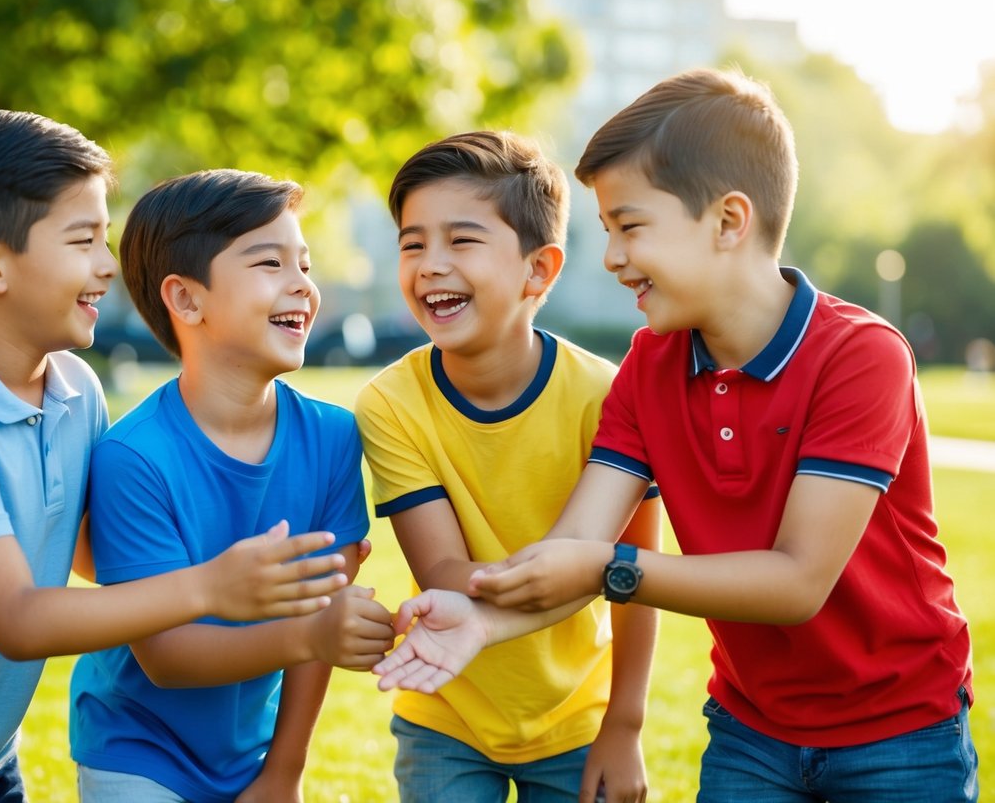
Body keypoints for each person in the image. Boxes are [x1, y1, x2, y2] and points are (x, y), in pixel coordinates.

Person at [375, 69, 978, 803]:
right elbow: (574, 548)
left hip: (899, 730)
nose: (612, 257)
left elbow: (794, 582)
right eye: (606, 231)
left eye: (629, 226)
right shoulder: (647, 369)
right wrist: (479, 621)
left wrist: (609, 567)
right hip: (749, 729)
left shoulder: (860, 356)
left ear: (728, 222)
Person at [0, 108, 351, 802]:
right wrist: (210, 587)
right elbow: (20, 620)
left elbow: (92, 546)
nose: (109, 267)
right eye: (84, 240)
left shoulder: (76, 390)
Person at [68, 169, 396, 803]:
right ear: (187, 300)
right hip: (137, 746)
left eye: (305, 263)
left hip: (254, 752)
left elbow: (319, 617)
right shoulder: (133, 458)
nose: (302, 283)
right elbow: (166, 658)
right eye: (270, 262)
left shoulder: (332, 438)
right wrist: (309, 634)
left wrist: (284, 771)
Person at [354, 131, 660, 803]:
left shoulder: (606, 396)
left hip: (577, 719)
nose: (430, 264)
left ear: (538, 270)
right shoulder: (389, 403)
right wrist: (560, 572)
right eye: (412, 243)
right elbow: (440, 570)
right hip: (446, 714)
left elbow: (632, 576)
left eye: (461, 241)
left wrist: (624, 724)